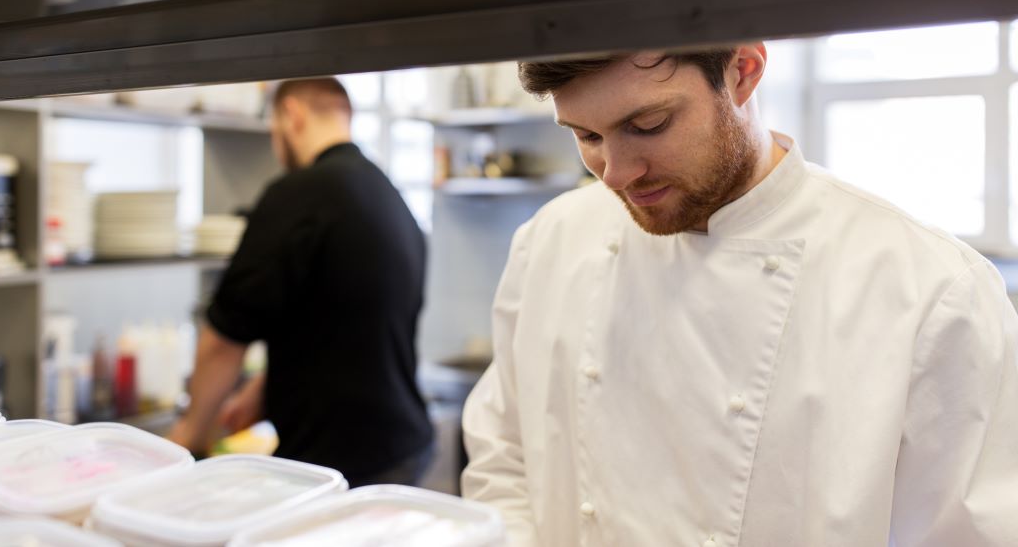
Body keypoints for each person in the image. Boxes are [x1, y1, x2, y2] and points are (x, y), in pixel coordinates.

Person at [461, 46, 1018, 546]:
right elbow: (501, 461)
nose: (616, 174)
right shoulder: (552, 242)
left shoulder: (931, 288)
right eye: (586, 136)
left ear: (743, 73)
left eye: (648, 124)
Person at [169, 77, 434, 487]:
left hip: (337, 464)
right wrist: (265, 388)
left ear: (291, 116)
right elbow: (346, 326)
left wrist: (189, 436)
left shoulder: (297, 193)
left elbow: (224, 340)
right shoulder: (389, 195)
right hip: (403, 447)